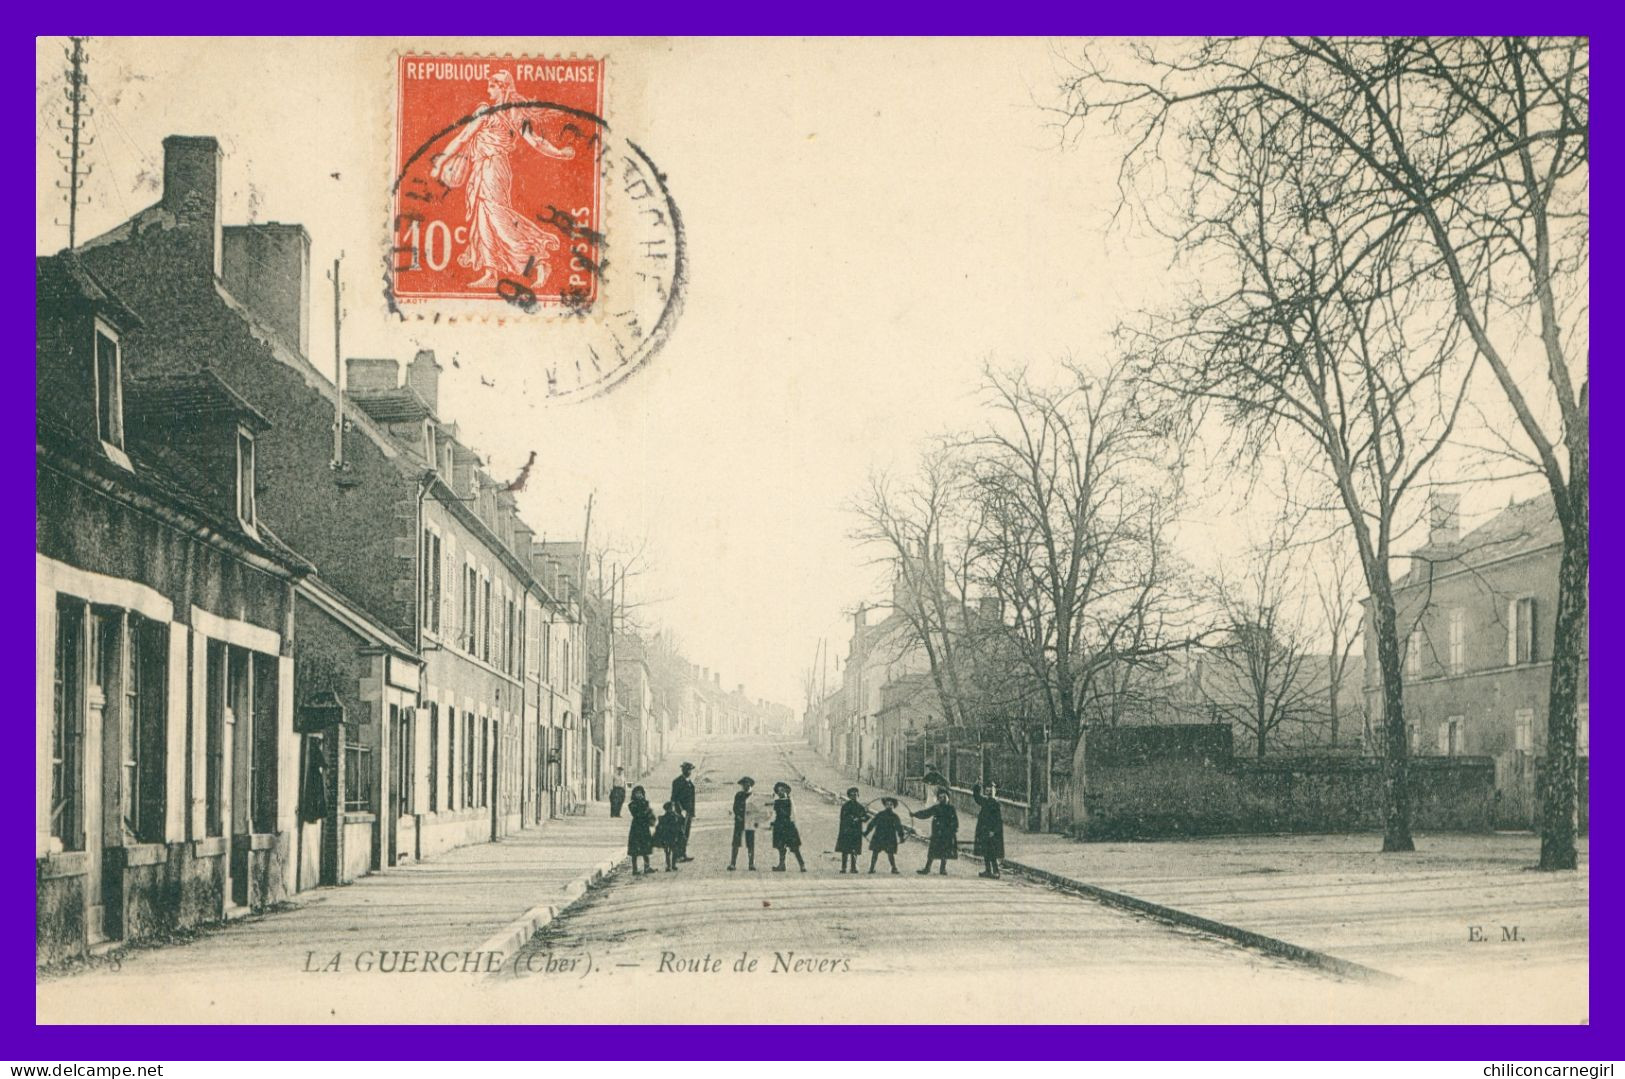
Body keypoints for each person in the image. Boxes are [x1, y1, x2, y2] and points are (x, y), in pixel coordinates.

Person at [430, 69, 575, 290]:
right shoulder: (493, 111)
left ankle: (538, 261)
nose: (488, 87)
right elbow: (464, 138)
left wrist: (560, 153)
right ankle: (491, 272)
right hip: (483, 168)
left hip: (494, 169)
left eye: (492, 84)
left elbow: (534, 141)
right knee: (483, 220)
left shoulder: (506, 113)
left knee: (498, 219)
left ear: (503, 87)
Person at [911, 787, 960, 875]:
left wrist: (953, 830)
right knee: (932, 851)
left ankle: (943, 869)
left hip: (947, 834)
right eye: (940, 798)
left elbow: (955, 821)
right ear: (938, 799)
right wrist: (915, 814)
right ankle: (927, 868)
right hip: (937, 833)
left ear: (947, 798)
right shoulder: (936, 808)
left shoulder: (951, 808)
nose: (942, 799)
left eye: (944, 797)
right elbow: (926, 813)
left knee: (945, 851)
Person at [769, 782, 806, 872]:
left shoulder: (790, 801)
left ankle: (802, 865)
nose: (780, 792)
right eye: (779, 791)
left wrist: (793, 824)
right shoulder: (776, 802)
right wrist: (771, 823)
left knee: (795, 847)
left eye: (782, 790)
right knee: (781, 847)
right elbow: (772, 813)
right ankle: (782, 865)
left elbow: (793, 813)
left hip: (788, 825)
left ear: (786, 790)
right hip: (779, 825)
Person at [972, 781, 1006, 879]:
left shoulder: (995, 803)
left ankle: (996, 871)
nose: (987, 792)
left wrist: (993, 831)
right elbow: (977, 798)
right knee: (985, 850)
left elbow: (998, 820)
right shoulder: (986, 801)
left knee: (992, 852)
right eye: (986, 790)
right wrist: (977, 786)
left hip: (991, 831)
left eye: (989, 791)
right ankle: (988, 870)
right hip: (984, 829)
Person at [864, 797, 906, 874]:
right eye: (887, 804)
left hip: (890, 837)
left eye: (891, 804)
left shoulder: (895, 816)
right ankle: (871, 868)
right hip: (879, 836)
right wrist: (866, 832)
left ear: (893, 806)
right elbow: (872, 824)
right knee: (875, 852)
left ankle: (894, 868)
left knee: (890, 854)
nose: (889, 806)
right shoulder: (880, 814)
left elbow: (899, 827)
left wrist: (901, 837)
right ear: (885, 805)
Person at [835, 787, 870, 873]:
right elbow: (842, 817)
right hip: (846, 831)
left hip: (856, 831)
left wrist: (861, 818)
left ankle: (853, 867)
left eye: (856, 795)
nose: (854, 796)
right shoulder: (845, 806)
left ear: (858, 795)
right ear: (849, 796)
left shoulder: (860, 807)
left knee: (854, 850)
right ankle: (843, 867)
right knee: (845, 850)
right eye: (852, 795)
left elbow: (866, 817)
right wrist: (852, 819)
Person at [728, 776, 757, 871]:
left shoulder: (754, 796)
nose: (745, 786)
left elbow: (758, 810)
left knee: (750, 842)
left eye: (747, 784)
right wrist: (738, 815)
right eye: (743, 784)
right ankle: (732, 863)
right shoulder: (738, 795)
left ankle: (751, 864)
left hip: (750, 821)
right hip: (739, 821)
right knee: (736, 842)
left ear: (750, 785)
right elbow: (735, 807)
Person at [670, 762, 697, 862]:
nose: (689, 772)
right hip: (680, 813)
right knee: (679, 833)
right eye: (687, 770)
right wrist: (680, 810)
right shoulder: (677, 782)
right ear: (683, 770)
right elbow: (674, 798)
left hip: (688, 813)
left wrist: (692, 812)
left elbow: (692, 800)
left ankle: (683, 853)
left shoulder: (689, 782)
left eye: (690, 770)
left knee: (686, 834)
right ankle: (677, 856)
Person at [626, 786, 655, 875]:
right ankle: (635, 869)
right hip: (636, 828)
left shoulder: (645, 803)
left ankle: (647, 866)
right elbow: (637, 814)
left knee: (645, 847)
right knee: (635, 850)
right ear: (634, 795)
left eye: (640, 793)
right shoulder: (632, 804)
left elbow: (649, 813)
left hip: (644, 827)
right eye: (637, 793)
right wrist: (646, 811)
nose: (639, 795)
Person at [653, 800, 685, 872]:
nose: (671, 809)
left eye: (672, 808)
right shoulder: (668, 817)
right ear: (667, 809)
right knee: (669, 851)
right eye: (670, 808)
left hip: (672, 836)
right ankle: (670, 865)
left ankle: (671, 865)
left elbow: (681, 823)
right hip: (668, 837)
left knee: (671, 851)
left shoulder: (674, 816)